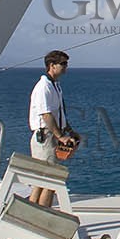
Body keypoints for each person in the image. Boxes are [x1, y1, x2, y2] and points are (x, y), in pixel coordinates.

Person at [27, 50, 76, 206]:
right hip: (46, 137)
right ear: (51, 65)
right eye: (63, 63)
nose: (66, 66)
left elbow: (58, 112)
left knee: (42, 181)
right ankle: (42, 213)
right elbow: (46, 114)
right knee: (49, 180)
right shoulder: (44, 87)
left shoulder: (54, 85)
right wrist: (61, 136)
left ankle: (34, 213)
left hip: (51, 136)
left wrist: (68, 130)